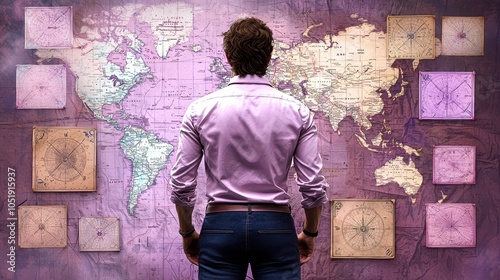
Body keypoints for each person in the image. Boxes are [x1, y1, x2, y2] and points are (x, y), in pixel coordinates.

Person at [169, 17, 328, 279]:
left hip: (220, 227)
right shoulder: (297, 111)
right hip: (275, 227)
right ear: (268, 57)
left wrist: (187, 232)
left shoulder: (199, 111)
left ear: (228, 57)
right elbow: (312, 184)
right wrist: (310, 233)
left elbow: (181, 183)